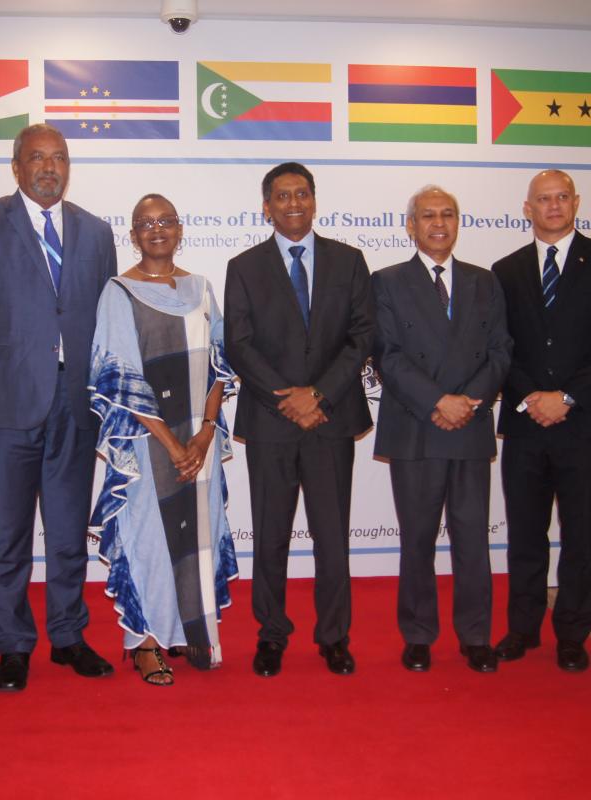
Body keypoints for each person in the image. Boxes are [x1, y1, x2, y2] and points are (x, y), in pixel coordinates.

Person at [0, 123, 118, 691]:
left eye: (59, 158)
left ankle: (68, 637)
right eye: (37, 158)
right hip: (1, 410)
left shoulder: (95, 231)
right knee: (8, 537)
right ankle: (13, 645)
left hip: (75, 406)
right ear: (16, 167)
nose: (50, 167)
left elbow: (108, 323)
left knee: (68, 534)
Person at [224, 162, 374, 677]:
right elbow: (239, 343)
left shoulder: (349, 261)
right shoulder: (244, 267)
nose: (294, 203)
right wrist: (287, 398)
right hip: (271, 421)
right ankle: (271, 633)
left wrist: (321, 396)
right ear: (266, 206)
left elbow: (361, 338)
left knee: (332, 536)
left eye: (303, 194)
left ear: (314, 201)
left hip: (330, 420)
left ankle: (334, 636)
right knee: (270, 535)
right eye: (283, 195)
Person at [89, 194, 238, 686]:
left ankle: (190, 630)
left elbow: (219, 364)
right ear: (132, 235)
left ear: (180, 229)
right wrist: (174, 446)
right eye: (145, 224)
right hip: (148, 444)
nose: (157, 230)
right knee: (149, 540)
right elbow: (121, 377)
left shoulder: (201, 288)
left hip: (200, 438)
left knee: (198, 535)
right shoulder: (119, 291)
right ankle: (146, 642)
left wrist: (204, 432)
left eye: (165, 222)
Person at [491, 169, 591, 672]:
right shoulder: (503, 270)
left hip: (585, 421)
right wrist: (534, 395)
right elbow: (499, 346)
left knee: (580, 534)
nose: (553, 206)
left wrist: (567, 396)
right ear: (526, 208)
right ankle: (523, 629)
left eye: (561, 197)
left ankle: (573, 633)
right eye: (542, 199)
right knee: (526, 533)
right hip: (528, 421)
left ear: (576, 203)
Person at [372, 186, 512, 674]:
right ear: (409, 225)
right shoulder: (386, 282)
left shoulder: (484, 282)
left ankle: (475, 634)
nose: (438, 222)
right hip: (416, 426)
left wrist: (466, 402)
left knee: (473, 537)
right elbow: (386, 353)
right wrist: (437, 401)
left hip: (468, 427)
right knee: (418, 538)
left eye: (447, 214)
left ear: (458, 222)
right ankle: (417, 634)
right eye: (427, 215)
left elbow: (500, 351)